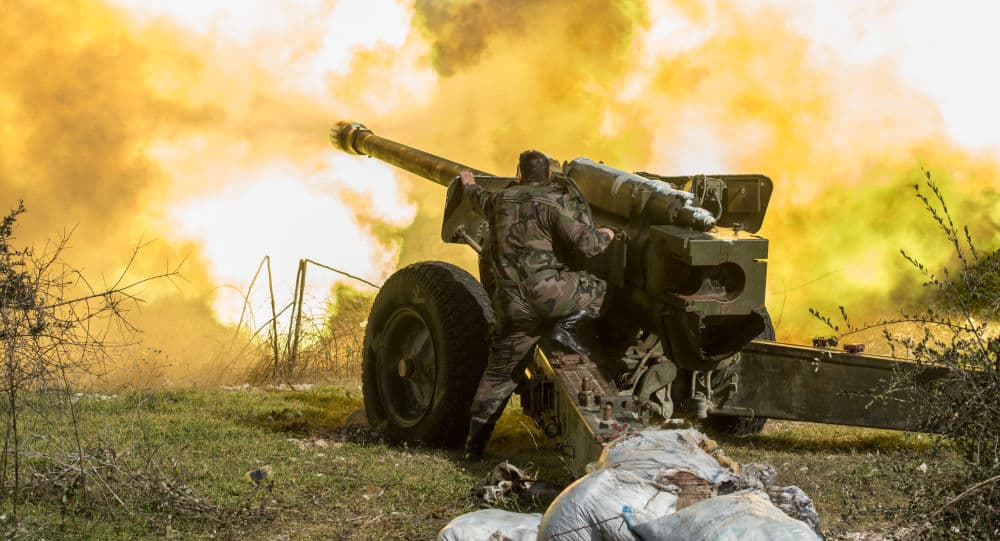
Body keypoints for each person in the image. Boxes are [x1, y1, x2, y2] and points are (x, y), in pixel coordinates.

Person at [459, 149, 615, 461]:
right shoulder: (550, 206)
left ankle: (473, 447)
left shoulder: (497, 203)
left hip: (511, 306)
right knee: (600, 289)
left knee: (499, 375)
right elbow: (589, 244)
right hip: (550, 294)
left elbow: (477, 197)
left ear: (518, 174)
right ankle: (565, 328)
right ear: (547, 176)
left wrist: (468, 183)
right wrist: (609, 233)